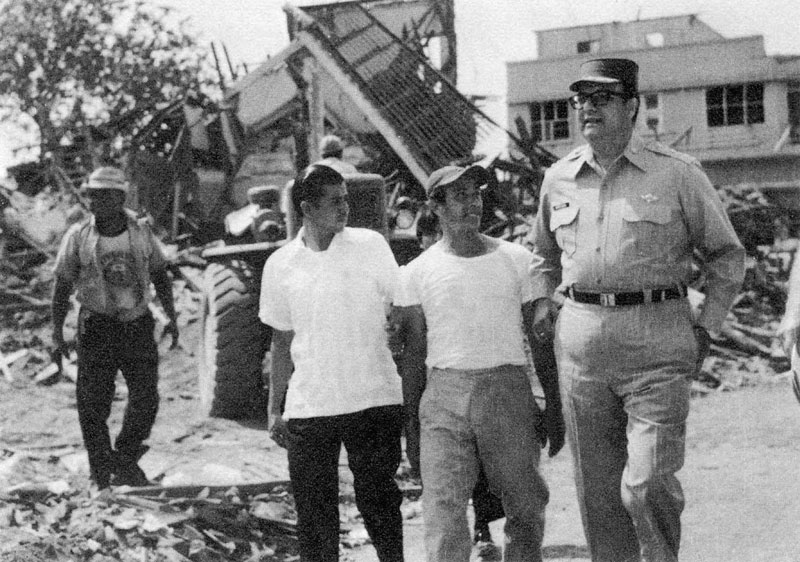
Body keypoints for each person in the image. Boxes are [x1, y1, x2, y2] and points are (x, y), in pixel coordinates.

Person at [530, 58, 745, 562]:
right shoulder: (558, 178)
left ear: (632, 106)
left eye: (601, 98)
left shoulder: (677, 173)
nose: (588, 108)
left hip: (657, 342)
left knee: (646, 484)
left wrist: (707, 328)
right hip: (582, 349)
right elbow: (542, 254)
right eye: (581, 99)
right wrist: (542, 302)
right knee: (598, 496)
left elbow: (726, 255)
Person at [394, 164, 564, 562]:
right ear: (435, 207)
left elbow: (540, 343)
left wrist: (553, 405)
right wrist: (412, 425)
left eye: (476, 194)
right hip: (443, 396)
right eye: (459, 195)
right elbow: (414, 357)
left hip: (506, 391)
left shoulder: (516, 260)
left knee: (525, 502)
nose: (472, 204)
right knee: (443, 509)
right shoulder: (416, 273)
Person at [259, 164, 404, 562]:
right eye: (335, 202)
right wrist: (276, 409)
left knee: (380, 505)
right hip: (311, 406)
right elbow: (281, 338)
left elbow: (402, 308)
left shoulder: (371, 245)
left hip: (373, 398)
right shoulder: (280, 265)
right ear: (307, 207)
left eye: (347, 199)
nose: (345, 208)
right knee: (315, 517)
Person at [52, 166, 179, 490]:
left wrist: (172, 317)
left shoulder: (141, 233)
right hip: (96, 325)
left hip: (135, 323)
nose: (96, 201)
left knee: (146, 398)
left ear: (120, 198)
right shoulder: (78, 235)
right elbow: (62, 284)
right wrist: (57, 333)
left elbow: (161, 275)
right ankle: (100, 472)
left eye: (104, 195)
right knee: (92, 403)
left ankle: (124, 460)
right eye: (93, 195)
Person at [413, 204, 507, 557]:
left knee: (479, 464)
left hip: (465, 380)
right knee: (443, 478)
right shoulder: (417, 275)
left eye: (433, 236)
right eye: (425, 238)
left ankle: (483, 529)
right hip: (431, 386)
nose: (430, 242)